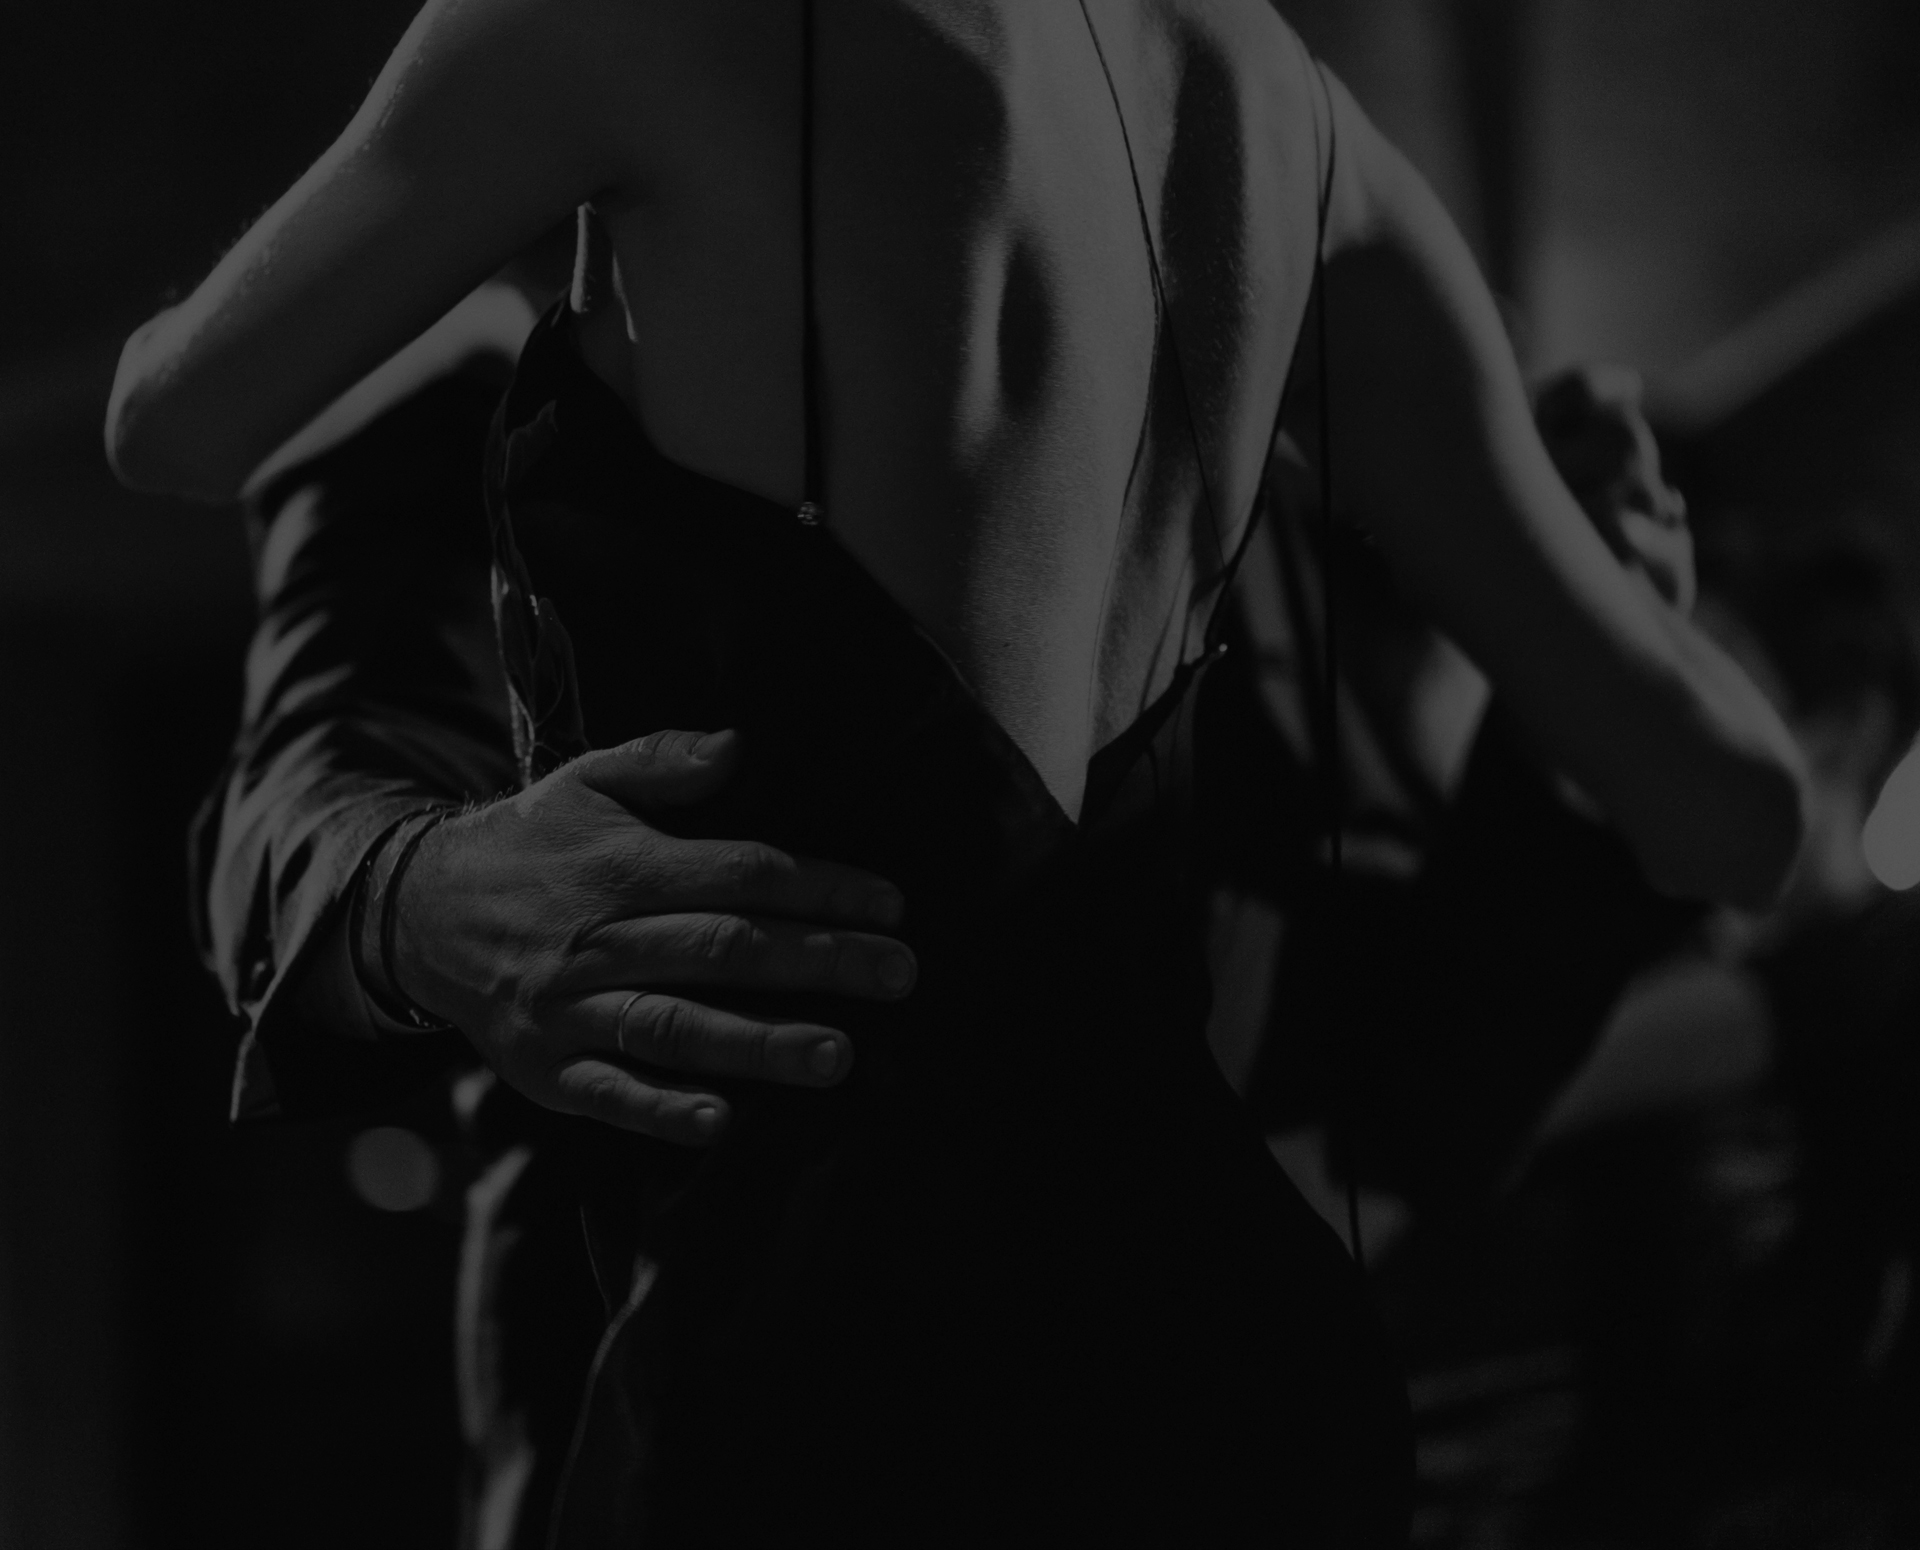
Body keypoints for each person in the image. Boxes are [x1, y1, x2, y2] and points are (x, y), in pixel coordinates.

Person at [108, 2, 1807, 1542]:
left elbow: (165, 424)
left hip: (813, 1395)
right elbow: (1735, 810)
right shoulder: (1292, 123)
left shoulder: (624, 30)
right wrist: (1622, 597)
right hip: (1231, 1400)